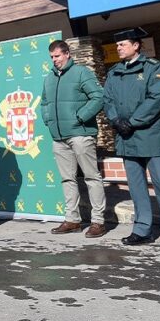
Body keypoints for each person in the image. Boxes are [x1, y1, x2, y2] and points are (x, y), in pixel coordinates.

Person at [103, 28, 160, 250]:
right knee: (137, 187)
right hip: (126, 136)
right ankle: (142, 229)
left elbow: (156, 98)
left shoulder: (153, 68)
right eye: (117, 45)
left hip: (150, 135)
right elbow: (107, 99)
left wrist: (133, 121)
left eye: (122, 44)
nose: (118, 48)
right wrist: (116, 120)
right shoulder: (114, 72)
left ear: (136, 45)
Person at [41, 39, 107, 238]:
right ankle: (73, 220)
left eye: (57, 56)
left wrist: (80, 117)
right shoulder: (49, 78)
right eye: (52, 57)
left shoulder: (81, 73)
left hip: (81, 134)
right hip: (59, 137)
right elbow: (44, 102)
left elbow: (99, 97)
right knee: (67, 179)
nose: (54, 60)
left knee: (91, 177)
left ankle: (98, 222)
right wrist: (48, 119)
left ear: (67, 54)